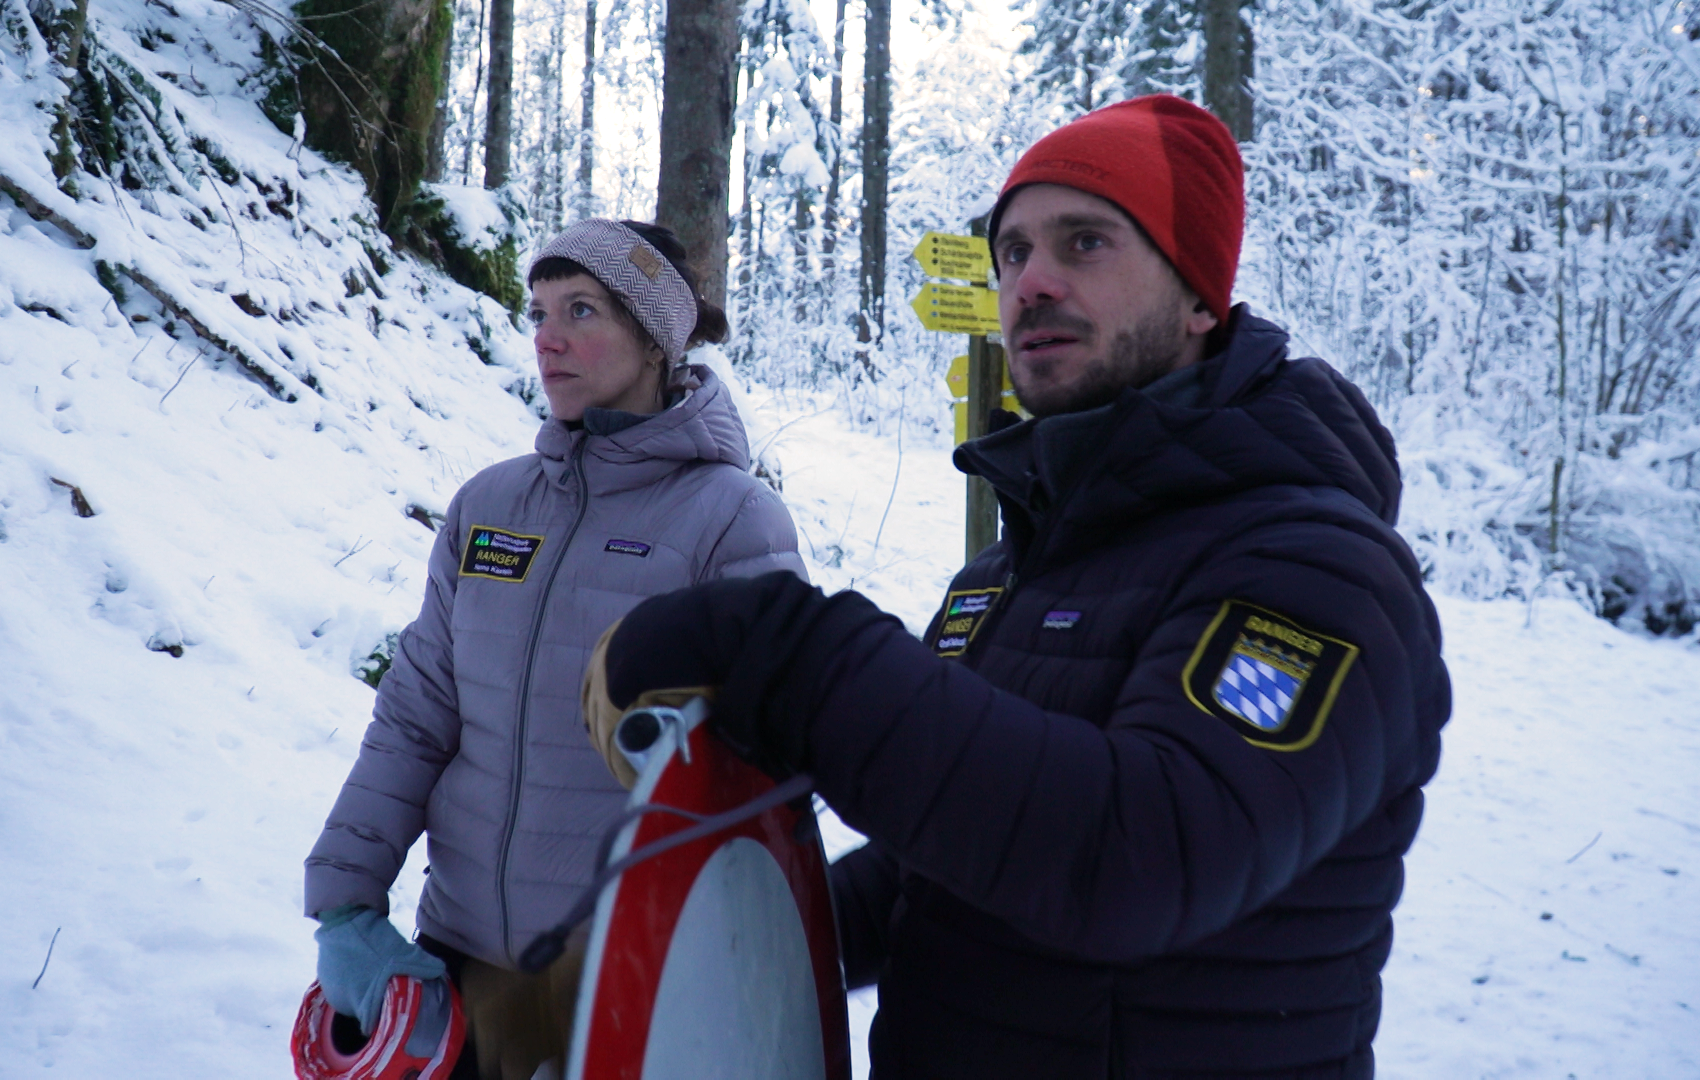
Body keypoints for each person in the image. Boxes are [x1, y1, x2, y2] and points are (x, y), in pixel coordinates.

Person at [585, 96, 1452, 1077]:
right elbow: (946, 866)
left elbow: (1132, 859)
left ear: (1201, 295)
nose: (1032, 282)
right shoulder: (1002, 578)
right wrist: (676, 957)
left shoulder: (1320, 572)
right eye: (1012, 253)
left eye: (1085, 243)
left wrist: (791, 652)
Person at [303, 218, 806, 1080]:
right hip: (458, 962)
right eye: (538, 312)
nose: (549, 338)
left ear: (654, 340)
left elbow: (772, 768)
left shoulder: (731, 519)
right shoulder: (491, 506)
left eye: (582, 310)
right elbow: (418, 716)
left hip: (636, 977)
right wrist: (346, 898)